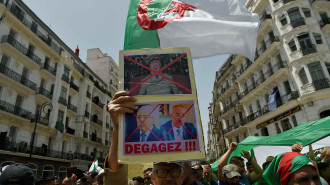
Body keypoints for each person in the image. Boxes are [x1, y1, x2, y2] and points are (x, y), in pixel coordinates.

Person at [105, 91, 186, 185]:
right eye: (161, 172)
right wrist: (118, 129)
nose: (168, 177)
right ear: (152, 177)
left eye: (174, 172)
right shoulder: (131, 137)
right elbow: (115, 180)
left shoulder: (162, 135)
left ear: (182, 177)